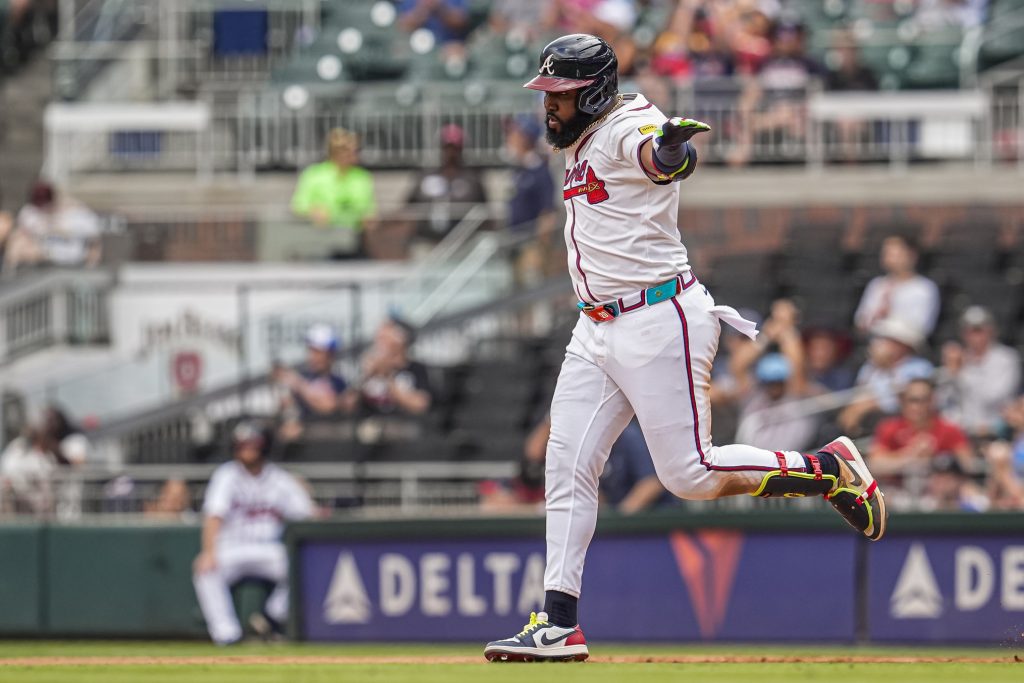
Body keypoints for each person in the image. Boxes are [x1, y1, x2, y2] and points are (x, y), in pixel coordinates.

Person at [483, 34, 888, 664]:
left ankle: (827, 470)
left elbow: (658, 157)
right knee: (566, 466)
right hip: (596, 329)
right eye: (548, 93)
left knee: (689, 475)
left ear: (590, 92)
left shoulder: (628, 124)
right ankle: (559, 622)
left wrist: (670, 149)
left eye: (559, 94)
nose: (549, 106)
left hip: (657, 317)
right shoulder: (580, 138)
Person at [192, 420, 314, 645]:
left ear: (264, 445)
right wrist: (208, 552)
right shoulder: (226, 475)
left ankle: (270, 618)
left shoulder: (280, 479)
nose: (247, 449)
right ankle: (227, 635)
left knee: (306, 568)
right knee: (206, 572)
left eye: (252, 444)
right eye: (242, 444)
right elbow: (213, 516)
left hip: (269, 548)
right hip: (231, 547)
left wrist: (308, 493)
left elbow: (308, 514)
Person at [869, 378, 976, 492]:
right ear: (903, 402)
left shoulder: (949, 430)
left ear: (932, 401)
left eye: (924, 400)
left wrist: (937, 459)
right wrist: (912, 454)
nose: (918, 406)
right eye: (913, 400)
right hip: (897, 491)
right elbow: (875, 464)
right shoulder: (889, 428)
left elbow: (969, 465)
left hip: (940, 494)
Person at [838, 318, 934, 436]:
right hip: (865, 410)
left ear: (903, 345)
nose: (886, 344)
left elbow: (911, 395)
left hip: (896, 413)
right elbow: (860, 388)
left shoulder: (919, 366)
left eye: (892, 341)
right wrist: (877, 367)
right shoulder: (871, 365)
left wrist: (889, 369)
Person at [290, 129, 377, 256]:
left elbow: (369, 210)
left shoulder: (362, 177)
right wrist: (313, 211)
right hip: (320, 241)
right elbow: (298, 205)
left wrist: (368, 219)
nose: (355, 155)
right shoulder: (314, 174)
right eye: (350, 151)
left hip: (353, 240)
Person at [938, 306, 1021, 437]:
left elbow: (993, 397)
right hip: (962, 430)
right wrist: (950, 371)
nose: (973, 336)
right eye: (968, 330)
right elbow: (942, 399)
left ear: (991, 330)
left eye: (978, 330)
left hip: (995, 430)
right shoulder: (959, 358)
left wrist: (959, 373)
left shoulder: (1006, 358)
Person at [404, 124, 488, 247]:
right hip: (427, 240)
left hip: (462, 243)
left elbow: (484, 209)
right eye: (447, 147)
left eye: (455, 148)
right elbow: (409, 204)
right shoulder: (426, 176)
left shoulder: (472, 178)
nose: (451, 153)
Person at [3, 180, 102, 275]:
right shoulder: (30, 213)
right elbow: (18, 238)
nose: (43, 209)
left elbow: (95, 244)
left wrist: (90, 269)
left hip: (73, 263)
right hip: (41, 261)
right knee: (18, 241)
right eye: (39, 206)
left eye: (45, 205)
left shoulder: (79, 216)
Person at [273, 324, 348, 446]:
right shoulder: (303, 376)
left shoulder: (339, 382)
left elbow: (328, 406)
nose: (313, 356)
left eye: (319, 352)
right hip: (302, 447)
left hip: (331, 444)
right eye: (311, 351)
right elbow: (286, 405)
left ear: (331, 354)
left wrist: (298, 383)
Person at [853, 234, 941, 337]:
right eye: (885, 253)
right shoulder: (876, 284)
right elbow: (861, 320)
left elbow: (921, 326)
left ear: (912, 255)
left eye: (894, 254)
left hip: (906, 343)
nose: (888, 258)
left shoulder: (924, 288)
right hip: (873, 340)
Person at [351, 317, 432, 419]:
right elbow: (350, 403)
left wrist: (387, 377)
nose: (379, 343)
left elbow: (421, 404)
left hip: (402, 428)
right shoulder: (368, 368)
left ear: (401, 341)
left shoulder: (416, 369)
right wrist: (367, 376)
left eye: (385, 338)